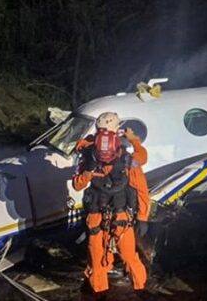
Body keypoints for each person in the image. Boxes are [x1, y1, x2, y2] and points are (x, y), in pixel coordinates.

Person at [72, 112, 150, 294]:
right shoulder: (127, 159)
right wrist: (142, 217)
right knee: (130, 257)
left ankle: (99, 292)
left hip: (96, 216)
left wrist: (87, 173)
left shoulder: (88, 154)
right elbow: (141, 188)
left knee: (98, 260)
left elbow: (77, 185)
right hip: (120, 215)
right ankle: (141, 291)